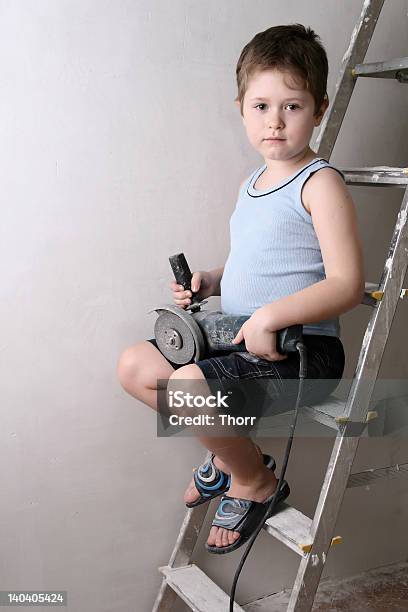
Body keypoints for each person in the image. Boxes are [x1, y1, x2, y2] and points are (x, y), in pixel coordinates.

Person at [117, 23, 364, 554]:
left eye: (292, 107)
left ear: (318, 110)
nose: (275, 121)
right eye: (261, 106)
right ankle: (233, 457)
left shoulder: (320, 183)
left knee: (186, 388)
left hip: (302, 353)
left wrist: (272, 317)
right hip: (241, 338)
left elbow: (345, 284)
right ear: (241, 108)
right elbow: (260, 262)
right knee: (136, 366)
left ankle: (254, 481)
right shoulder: (252, 184)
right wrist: (212, 278)